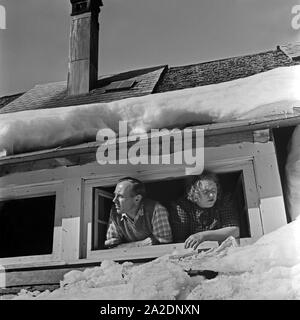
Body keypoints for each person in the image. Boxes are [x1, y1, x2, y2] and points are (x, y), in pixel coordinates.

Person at [169, 171, 240, 250]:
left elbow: (234, 230)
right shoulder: (182, 207)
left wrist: (202, 236)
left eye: (213, 190)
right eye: (206, 192)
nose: (211, 195)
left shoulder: (224, 200)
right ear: (194, 193)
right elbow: (180, 240)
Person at [105, 177, 173, 248]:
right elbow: (112, 245)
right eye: (115, 195)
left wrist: (123, 246)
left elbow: (164, 242)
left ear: (137, 199)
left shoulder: (155, 209)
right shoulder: (115, 213)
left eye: (120, 196)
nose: (114, 200)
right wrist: (142, 244)